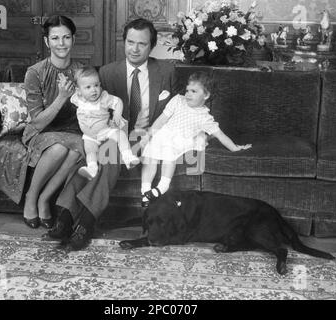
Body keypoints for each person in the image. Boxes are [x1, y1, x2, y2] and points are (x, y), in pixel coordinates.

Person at [44, 18, 179, 251]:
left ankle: (71, 218)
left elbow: (178, 109)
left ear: (151, 46)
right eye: (130, 42)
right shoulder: (107, 72)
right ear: (124, 42)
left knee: (109, 151)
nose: (134, 49)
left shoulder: (166, 70)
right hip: (114, 134)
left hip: (150, 137)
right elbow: (93, 106)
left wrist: (150, 128)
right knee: (106, 153)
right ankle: (78, 222)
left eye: (142, 44)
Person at [139, 72, 252, 207]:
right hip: (164, 133)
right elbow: (161, 119)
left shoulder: (204, 117)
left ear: (206, 95)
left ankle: (162, 186)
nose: (188, 94)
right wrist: (149, 135)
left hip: (182, 139)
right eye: (187, 90)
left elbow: (220, 135)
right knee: (150, 154)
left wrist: (235, 147)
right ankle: (145, 191)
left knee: (169, 153)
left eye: (193, 91)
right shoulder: (177, 100)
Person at [21, 15, 84, 229]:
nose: (61, 43)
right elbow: (37, 122)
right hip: (42, 131)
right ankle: (31, 197)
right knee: (58, 148)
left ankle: (44, 199)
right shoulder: (35, 73)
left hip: (73, 130)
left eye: (66, 37)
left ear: (73, 40)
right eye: (55, 38)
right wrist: (61, 97)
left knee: (77, 149)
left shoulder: (81, 71)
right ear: (47, 42)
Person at [71, 66, 139, 180]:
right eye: (88, 87)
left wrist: (117, 114)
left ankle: (128, 157)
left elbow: (118, 102)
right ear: (79, 91)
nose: (94, 90)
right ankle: (92, 169)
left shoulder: (103, 98)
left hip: (105, 131)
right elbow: (71, 93)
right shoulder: (77, 99)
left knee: (120, 135)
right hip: (89, 136)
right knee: (90, 152)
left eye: (96, 85)